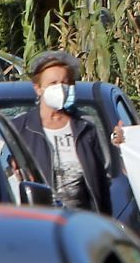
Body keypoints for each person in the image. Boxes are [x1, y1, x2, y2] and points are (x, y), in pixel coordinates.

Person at [12, 51, 111, 216]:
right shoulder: (20, 129)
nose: (60, 88)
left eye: (65, 82)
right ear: (38, 88)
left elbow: (101, 186)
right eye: (52, 83)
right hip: (38, 222)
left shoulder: (86, 129)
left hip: (81, 223)